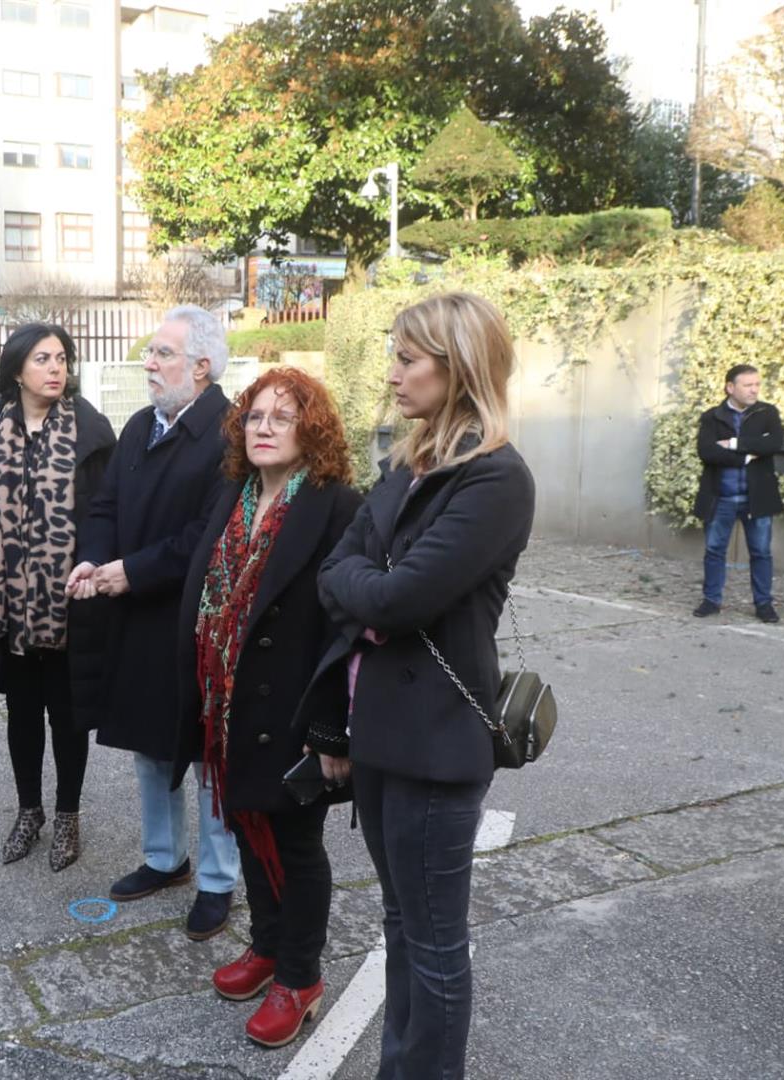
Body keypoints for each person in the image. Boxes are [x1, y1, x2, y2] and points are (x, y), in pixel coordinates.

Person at [304, 292, 535, 1079]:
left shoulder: (494, 479)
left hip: (436, 743)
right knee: (400, 922)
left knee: (432, 941)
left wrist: (368, 589)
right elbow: (335, 570)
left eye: (407, 359)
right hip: (377, 730)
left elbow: (398, 598)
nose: (392, 374)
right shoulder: (408, 463)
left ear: (456, 366)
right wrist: (371, 588)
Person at [174, 366, 361, 1048]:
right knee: (246, 824)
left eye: (281, 417)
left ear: (310, 430)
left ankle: (300, 976)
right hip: (230, 703)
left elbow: (349, 626)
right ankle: (267, 945)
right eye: (254, 416)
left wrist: (329, 727)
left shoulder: (337, 505)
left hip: (295, 707)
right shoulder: (237, 494)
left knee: (295, 841)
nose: (263, 428)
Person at [67, 304, 240, 940]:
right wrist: (92, 559)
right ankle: (165, 859)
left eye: (162, 353)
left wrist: (130, 571)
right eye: (151, 351)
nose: (149, 361)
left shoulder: (230, 434)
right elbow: (105, 505)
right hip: (137, 617)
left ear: (201, 366)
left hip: (197, 621)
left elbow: (207, 535)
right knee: (148, 743)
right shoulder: (142, 425)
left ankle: (219, 881)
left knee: (205, 755)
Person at [0, 323, 117, 871]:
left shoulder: (90, 429)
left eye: (62, 358)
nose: (56, 368)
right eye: (42, 359)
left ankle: (67, 815)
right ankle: (29, 811)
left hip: (69, 605)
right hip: (5, 605)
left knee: (68, 715)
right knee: (21, 714)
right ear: (17, 370)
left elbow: (108, 514)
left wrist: (96, 573)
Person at [693, 364, 784, 622]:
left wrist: (734, 445)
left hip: (757, 498)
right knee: (714, 551)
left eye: (757, 384)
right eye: (748, 385)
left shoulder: (767, 412)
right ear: (730, 387)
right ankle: (711, 600)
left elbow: (774, 443)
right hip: (720, 497)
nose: (754, 389)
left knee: (761, 552)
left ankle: (764, 604)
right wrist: (746, 458)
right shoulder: (712, 417)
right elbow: (707, 452)